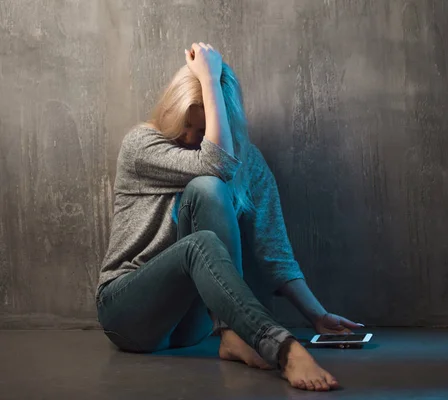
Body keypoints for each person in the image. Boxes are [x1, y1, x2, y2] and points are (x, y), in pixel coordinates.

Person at [95, 42, 363, 392]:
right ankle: (281, 347)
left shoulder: (247, 163)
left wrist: (316, 315)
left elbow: (274, 253)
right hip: (127, 311)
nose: (191, 140)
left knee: (208, 189)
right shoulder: (143, 145)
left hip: (190, 326)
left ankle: (233, 333)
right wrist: (208, 76)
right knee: (207, 193)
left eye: (202, 130)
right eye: (185, 127)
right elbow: (216, 165)